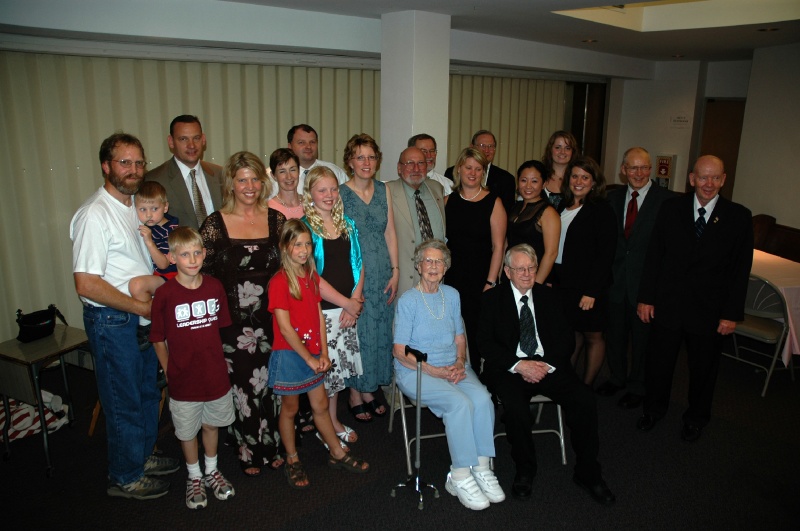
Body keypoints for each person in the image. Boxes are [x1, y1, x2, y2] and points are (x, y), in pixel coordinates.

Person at [71, 132, 179, 500]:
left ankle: (142, 456)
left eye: (138, 162)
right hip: (113, 321)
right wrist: (140, 308)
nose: (133, 169)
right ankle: (125, 475)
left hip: (140, 319)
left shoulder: (134, 206)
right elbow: (87, 284)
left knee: (147, 392)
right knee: (124, 399)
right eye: (124, 162)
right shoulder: (94, 214)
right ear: (106, 166)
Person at [478, 244, 615, 506]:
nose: (527, 274)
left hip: (548, 365)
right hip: (511, 368)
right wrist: (519, 365)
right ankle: (525, 469)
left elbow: (566, 340)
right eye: (520, 269)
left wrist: (546, 365)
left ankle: (588, 472)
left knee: (584, 399)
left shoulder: (551, 297)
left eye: (531, 268)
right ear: (507, 271)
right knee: (515, 408)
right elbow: (485, 344)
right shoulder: (491, 299)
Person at [636, 155, 753, 442]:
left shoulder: (738, 216)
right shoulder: (671, 208)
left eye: (715, 177)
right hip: (668, 305)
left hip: (709, 310)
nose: (708, 183)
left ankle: (696, 419)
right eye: (703, 177)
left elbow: (740, 270)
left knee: (703, 370)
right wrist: (646, 298)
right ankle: (653, 410)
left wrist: (731, 314)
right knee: (659, 364)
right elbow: (655, 256)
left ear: (723, 180)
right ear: (692, 179)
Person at [393, 239, 504, 511]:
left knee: (483, 400)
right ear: (419, 266)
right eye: (428, 261)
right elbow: (399, 351)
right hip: (416, 370)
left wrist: (459, 362)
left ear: (446, 267)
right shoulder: (408, 301)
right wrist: (435, 371)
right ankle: (460, 475)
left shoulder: (452, 295)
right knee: (459, 404)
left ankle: (482, 467)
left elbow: (459, 338)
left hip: (452, 366)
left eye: (439, 261)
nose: (434, 266)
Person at [199, 151, 286, 476]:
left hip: (275, 318)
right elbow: (203, 276)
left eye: (255, 179)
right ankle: (248, 448)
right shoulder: (214, 224)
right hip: (233, 323)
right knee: (245, 388)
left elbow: (292, 266)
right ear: (231, 184)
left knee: (273, 383)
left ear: (263, 183)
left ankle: (274, 443)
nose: (249, 186)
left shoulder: (277, 220)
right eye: (242, 180)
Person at [268, 220, 370, 489]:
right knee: (290, 409)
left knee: (321, 405)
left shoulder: (311, 276)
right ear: (284, 247)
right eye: (297, 245)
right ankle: (292, 458)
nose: (303, 250)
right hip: (291, 355)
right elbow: (285, 329)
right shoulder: (279, 282)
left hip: (314, 353)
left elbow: (318, 317)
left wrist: (323, 353)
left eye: (307, 245)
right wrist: (309, 358)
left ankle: (336, 452)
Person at [149, 227, 236, 509]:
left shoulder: (214, 287)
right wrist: (169, 370)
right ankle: (194, 475)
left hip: (214, 375)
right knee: (187, 431)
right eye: (185, 254)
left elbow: (221, 330)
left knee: (211, 424)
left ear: (205, 254)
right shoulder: (165, 294)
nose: (193, 259)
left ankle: (211, 470)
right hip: (183, 379)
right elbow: (157, 339)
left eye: (197, 253)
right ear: (172, 257)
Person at [596, 147, 676, 409]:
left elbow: (669, 251)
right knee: (615, 336)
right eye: (633, 167)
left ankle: (638, 385)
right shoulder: (611, 198)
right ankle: (617, 378)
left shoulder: (668, 202)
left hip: (646, 287)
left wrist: (655, 293)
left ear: (651, 169)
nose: (638, 173)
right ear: (623, 170)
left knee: (642, 342)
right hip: (616, 283)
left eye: (644, 168)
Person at [302, 167, 366, 437]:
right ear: (310, 194)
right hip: (322, 312)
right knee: (325, 372)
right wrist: (346, 303)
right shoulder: (305, 228)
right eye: (322, 190)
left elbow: (359, 264)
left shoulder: (347, 224)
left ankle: (331, 422)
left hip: (347, 310)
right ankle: (326, 426)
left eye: (333, 189)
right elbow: (312, 276)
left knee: (337, 372)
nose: (329, 195)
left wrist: (355, 301)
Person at [340, 134, 399, 420]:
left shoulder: (383, 189)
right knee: (358, 332)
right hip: (354, 272)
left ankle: (370, 387)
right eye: (360, 157)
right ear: (350, 161)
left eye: (371, 157)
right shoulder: (340, 193)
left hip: (383, 270)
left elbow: (390, 232)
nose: (366, 162)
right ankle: (355, 391)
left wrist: (396, 271)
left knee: (379, 330)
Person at [552, 155, 616, 386]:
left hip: (589, 286)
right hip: (565, 283)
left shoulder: (601, 210)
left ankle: (586, 386)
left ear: (594, 182)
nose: (579, 182)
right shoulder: (562, 205)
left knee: (593, 335)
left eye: (585, 177)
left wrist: (592, 292)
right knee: (573, 334)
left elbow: (606, 254)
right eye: (575, 176)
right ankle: (569, 384)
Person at [444, 147, 507, 369]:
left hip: (481, 277)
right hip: (453, 276)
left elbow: (499, 247)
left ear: (483, 172)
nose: (472, 173)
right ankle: (456, 369)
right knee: (453, 326)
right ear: (459, 169)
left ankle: (477, 376)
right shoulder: (447, 201)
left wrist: (491, 281)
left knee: (476, 328)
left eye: (478, 169)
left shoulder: (494, 202)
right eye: (468, 167)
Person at [387, 147, 447, 296]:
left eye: (421, 163)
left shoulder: (437, 189)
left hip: (436, 276)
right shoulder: (387, 191)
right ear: (399, 168)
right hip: (404, 278)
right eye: (409, 163)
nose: (416, 168)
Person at [146, 115, 224, 230]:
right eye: (183, 139)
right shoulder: (154, 180)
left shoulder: (221, 175)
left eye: (196, 138)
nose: (191, 145)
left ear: (203, 139)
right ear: (171, 142)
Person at [506, 160, 561, 285]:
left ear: (544, 184)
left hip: (532, 278)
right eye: (523, 180)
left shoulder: (548, 212)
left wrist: (535, 285)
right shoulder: (515, 207)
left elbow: (551, 253)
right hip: (511, 275)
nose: (528, 186)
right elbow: (507, 244)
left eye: (534, 181)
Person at [129, 181, 179, 307]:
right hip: (158, 275)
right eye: (142, 209)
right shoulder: (151, 226)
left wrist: (149, 242)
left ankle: (152, 315)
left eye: (155, 209)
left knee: (138, 285)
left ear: (165, 207)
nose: (148, 214)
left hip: (173, 277)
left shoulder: (171, 231)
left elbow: (163, 265)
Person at [445, 129, 516, 214]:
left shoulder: (507, 179)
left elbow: (507, 213)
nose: (486, 150)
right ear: (471, 147)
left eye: (491, 146)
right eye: (482, 145)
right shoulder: (451, 173)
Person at [286, 124, 349, 194]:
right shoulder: (281, 178)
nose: (308, 146)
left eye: (312, 142)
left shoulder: (335, 172)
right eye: (301, 142)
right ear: (290, 146)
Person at [541, 131, 578, 211]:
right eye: (558, 147)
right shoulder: (540, 176)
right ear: (550, 150)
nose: (562, 152)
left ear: (572, 152)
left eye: (567, 148)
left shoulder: (578, 179)